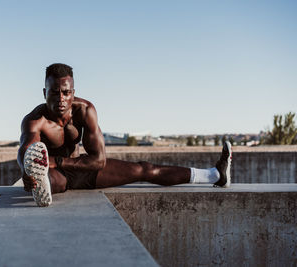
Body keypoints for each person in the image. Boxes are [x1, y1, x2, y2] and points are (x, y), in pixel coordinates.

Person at [17, 63, 232, 207]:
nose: (61, 98)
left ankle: (214, 175)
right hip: (58, 175)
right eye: (54, 92)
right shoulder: (35, 121)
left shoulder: (85, 111)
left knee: (144, 169)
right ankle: (41, 184)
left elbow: (99, 161)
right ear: (45, 93)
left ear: (73, 92)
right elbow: (26, 151)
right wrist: (28, 170)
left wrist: (55, 161)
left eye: (66, 92)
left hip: (81, 168)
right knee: (47, 179)